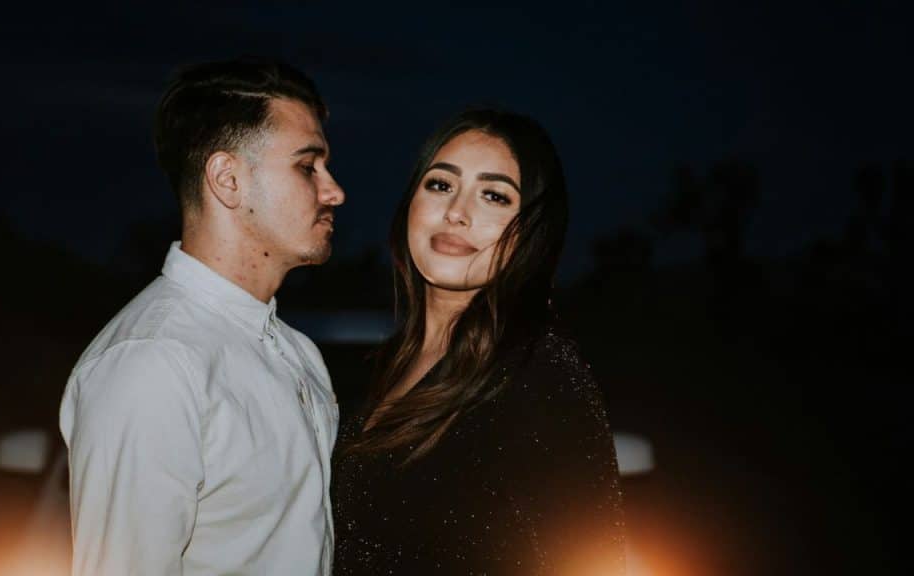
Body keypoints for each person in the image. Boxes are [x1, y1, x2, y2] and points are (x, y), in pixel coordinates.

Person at [59, 57, 345, 576]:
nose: (334, 192)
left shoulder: (299, 353)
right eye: (308, 167)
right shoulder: (153, 362)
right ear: (228, 179)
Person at [332, 109, 625, 574]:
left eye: (493, 195)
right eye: (440, 185)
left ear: (531, 230)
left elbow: (591, 556)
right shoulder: (382, 365)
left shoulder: (540, 371)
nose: (456, 213)